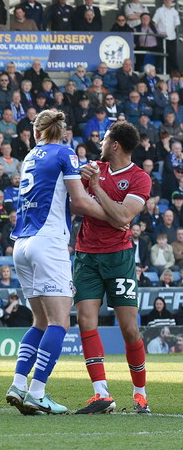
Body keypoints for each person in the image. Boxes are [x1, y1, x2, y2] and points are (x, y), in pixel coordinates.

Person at [5, 110, 112, 416]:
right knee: (59, 322)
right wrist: (112, 216)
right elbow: (78, 202)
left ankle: (17, 384)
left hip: (21, 244)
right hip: (48, 241)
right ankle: (36, 392)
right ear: (64, 132)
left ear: (36, 131)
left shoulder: (30, 156)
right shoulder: (65, 152)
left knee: (39, 321)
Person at [71, 121, 152, 415]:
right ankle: (101, 393)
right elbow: (76, 206)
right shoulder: (92, 167)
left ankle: (140, 393)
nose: (100, 143)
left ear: (115, 145)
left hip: (119, 257)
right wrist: (114, 214)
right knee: (85, 321)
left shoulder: (139, 178)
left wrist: (96, 190)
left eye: (104, 139)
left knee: (130, 329)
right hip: (86, 255)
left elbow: (125, 215)